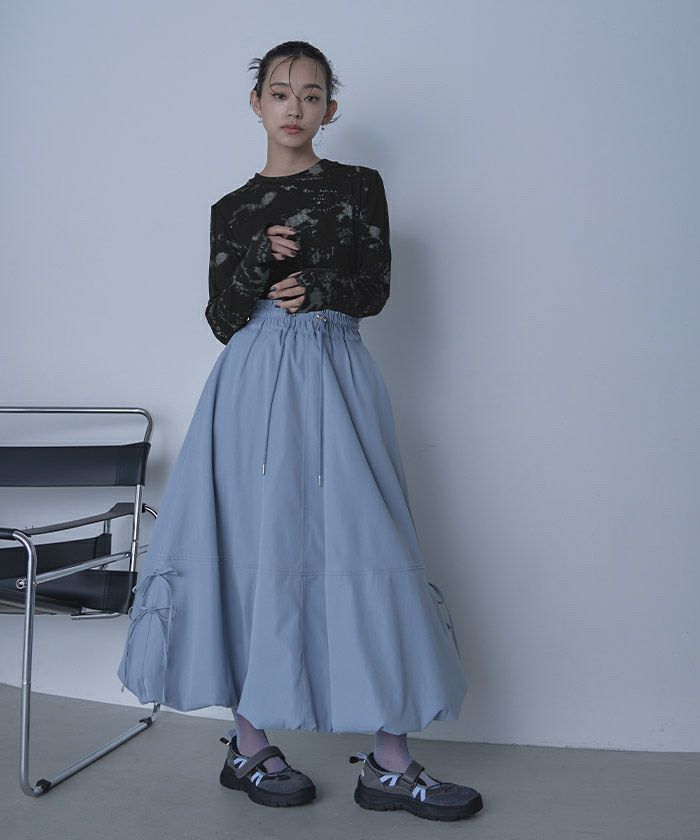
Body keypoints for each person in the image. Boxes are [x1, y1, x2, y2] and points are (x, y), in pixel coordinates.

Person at [117, 40, 483, 822]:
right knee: (249, 546)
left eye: (311, 95)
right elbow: (222, 319)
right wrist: (255, 262)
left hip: (335, 374)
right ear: (257, 103)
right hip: (250, 385)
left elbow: (374, 289)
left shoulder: (357, 187)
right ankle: (249, 745)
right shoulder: (231, 208)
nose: (295, 107)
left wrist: (314, 283)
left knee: (368, 543)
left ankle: (389, 762)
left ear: (330, 109)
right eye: (280, 92)